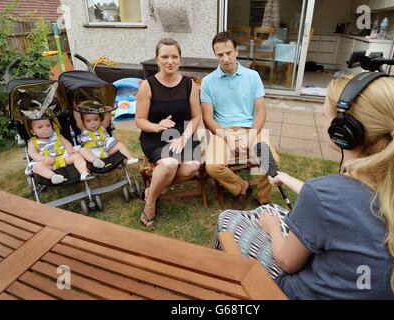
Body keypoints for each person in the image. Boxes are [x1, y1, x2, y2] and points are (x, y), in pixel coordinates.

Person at [215, 73, 394, 299]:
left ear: (342, 130)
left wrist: (273, 228)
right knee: (269, 211)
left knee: (231, 218)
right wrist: (285, 177)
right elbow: (345, 206)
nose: (323, 121)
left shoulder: (322, 194)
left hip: (293, 293)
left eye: (324, 116)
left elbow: (287, 262)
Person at [201, 31, 279, 210]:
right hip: (223, 131)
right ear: (215, 55)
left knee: (272, 160)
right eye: (220, 54)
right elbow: (207, 117)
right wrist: (227, 136)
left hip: (250, 128)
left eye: (228, 53)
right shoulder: (207, 82)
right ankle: (241, 187)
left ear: (236, 51)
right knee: (212, 166)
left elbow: (260, 112)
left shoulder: (253, 76)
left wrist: (251, 135)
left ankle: (263, 199)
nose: (225, 58)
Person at [136, 38, 202, 227]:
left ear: (180, 59)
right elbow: (139, 120)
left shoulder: (190, 85)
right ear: (157, 60)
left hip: (183, 133)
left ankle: (153, 190)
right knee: (170, 163)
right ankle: (150, 204)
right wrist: (156, 126)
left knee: (191, 167)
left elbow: (196, 117)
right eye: (164, 56)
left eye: (174, 56)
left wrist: (184, 139)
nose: (170, 61)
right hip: (155, 136)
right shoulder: (147, 86)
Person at [26, 118, 92, 183]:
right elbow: (32, 153)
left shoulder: (57, 136)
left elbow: (66, 143)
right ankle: (53, 176)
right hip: (48, 163)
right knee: (36, 167)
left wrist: (69, 148)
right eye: (40, 127)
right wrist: (43, 159)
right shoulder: (32, 142)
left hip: (63, 158)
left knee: (77, 156)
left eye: (48, 126)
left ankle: (84, 173)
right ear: (33, 132)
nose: (45, 128)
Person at [74, 110, 138, 168]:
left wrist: (109, 109)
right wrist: (76, 109)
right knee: (82, 150)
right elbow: (78, 120)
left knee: (119, 144)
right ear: (83, 122)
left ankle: (130, 158)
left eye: (96, 120)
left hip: (106, 151)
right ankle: (95, 161)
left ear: (100, 119)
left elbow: (107, 119)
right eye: (88, 121)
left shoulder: (102, 127)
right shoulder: (83, 130)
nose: (92, 123)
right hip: (92, 153)